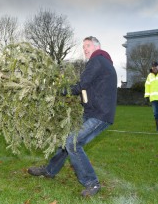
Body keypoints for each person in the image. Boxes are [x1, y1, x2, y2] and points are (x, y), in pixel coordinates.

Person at [27, 36, 117, 197]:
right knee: (66, 140)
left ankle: (92, 183)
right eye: (83, 47)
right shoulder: (105, 63)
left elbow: (82, 84)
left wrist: (61, 91)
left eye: (88, 45)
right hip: (93, 112)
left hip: (99, 115)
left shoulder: (97, 60)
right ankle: (50, 170)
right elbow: (89, 89)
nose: (85, 49)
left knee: (73, 143)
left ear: (97, 47)